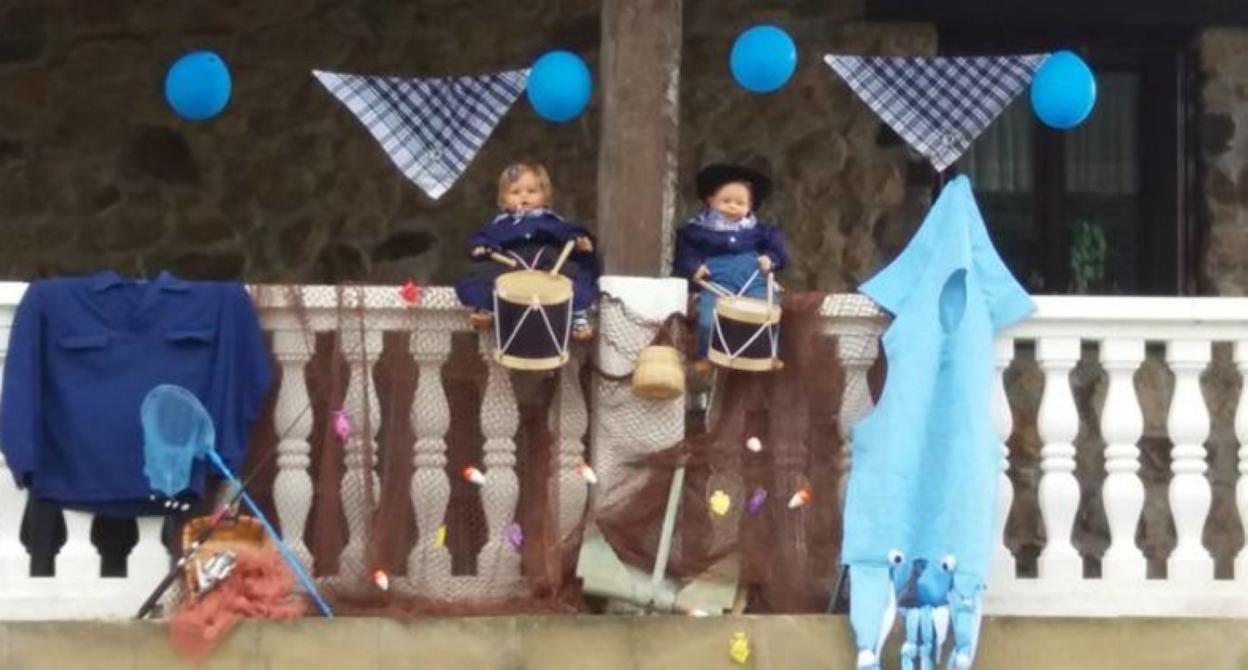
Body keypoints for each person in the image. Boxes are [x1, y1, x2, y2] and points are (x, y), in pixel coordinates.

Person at [454, 162, 598, 340]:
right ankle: (487, 311)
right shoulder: (500, 224)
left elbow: (571, 231)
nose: (524, 196)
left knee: (580, 275)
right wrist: (480, 247)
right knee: (479, 279)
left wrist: (579, 240)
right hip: (511, 268)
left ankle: (577, 318)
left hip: (548, 269)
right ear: (503, 199)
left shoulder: (552, 220)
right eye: (515, 192)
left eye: (531, 191)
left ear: (545, 195)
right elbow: (482, 238)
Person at [674, 164, 789, 372]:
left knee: (768, 312)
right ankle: (706, 356)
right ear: (710, 201)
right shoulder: (697, 230)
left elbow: (777, 250)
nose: (732, 207)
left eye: (740, 203)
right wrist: (694, 267)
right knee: (709, 318)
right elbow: (685, 253)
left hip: (752, 277)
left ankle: (770, 354)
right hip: (717, 279)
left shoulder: (760, 230)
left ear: (750, 206)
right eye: (726, 201)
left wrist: (770, 259)